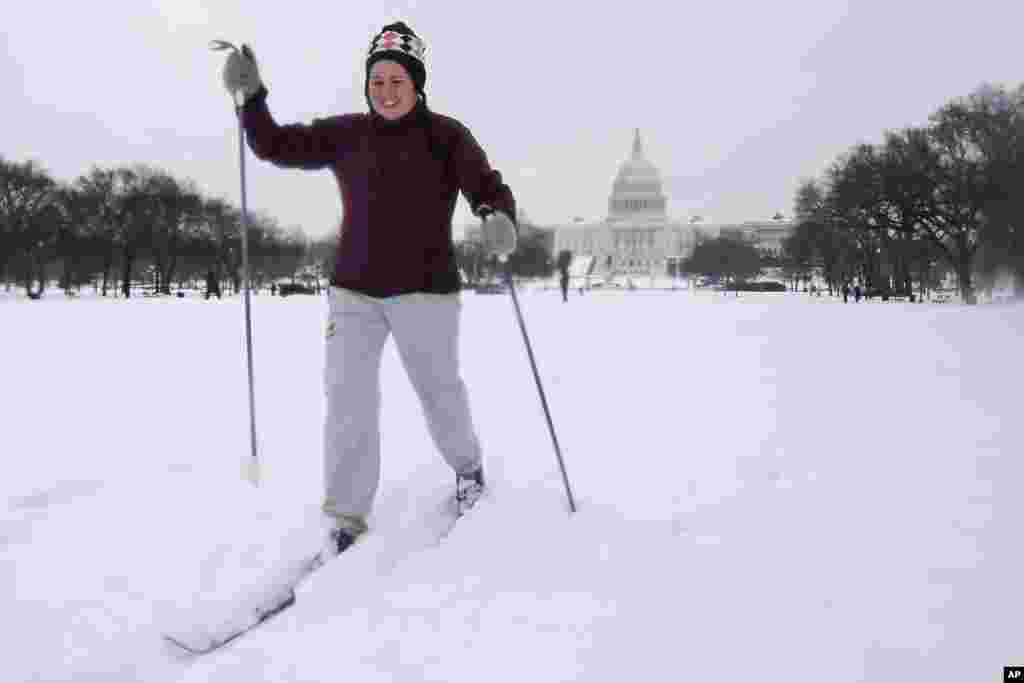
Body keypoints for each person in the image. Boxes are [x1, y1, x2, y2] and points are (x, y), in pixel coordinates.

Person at [221, 22, 517, 557]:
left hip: (426, 292)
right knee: (347, 400)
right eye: (377, 80)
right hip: (353, 292)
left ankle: (468, 469)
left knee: (439, 391)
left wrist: (497, 215)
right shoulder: (348, 133)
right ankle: (346, 513)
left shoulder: (447, 135)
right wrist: (252, 98)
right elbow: (275, 145)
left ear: (417, 82)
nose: (385, 90)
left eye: (396, 79)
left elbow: (485, 185)